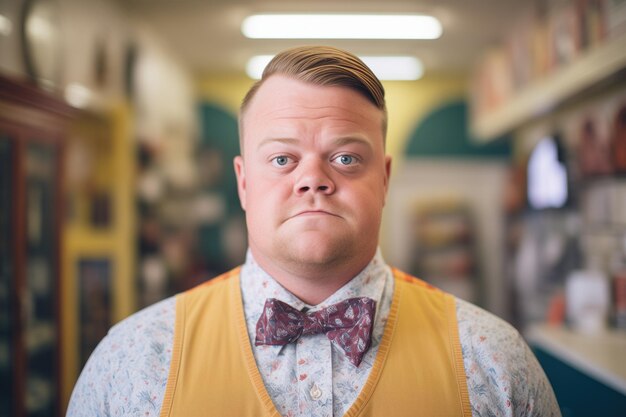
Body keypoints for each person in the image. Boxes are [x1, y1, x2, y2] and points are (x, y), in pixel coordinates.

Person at [67, 46, 560, 417]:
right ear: (243, 182)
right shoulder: (131, 360)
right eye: (282, 159)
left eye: (346, 158)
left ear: (384, 178)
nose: (313, 178)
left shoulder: (494, 362)